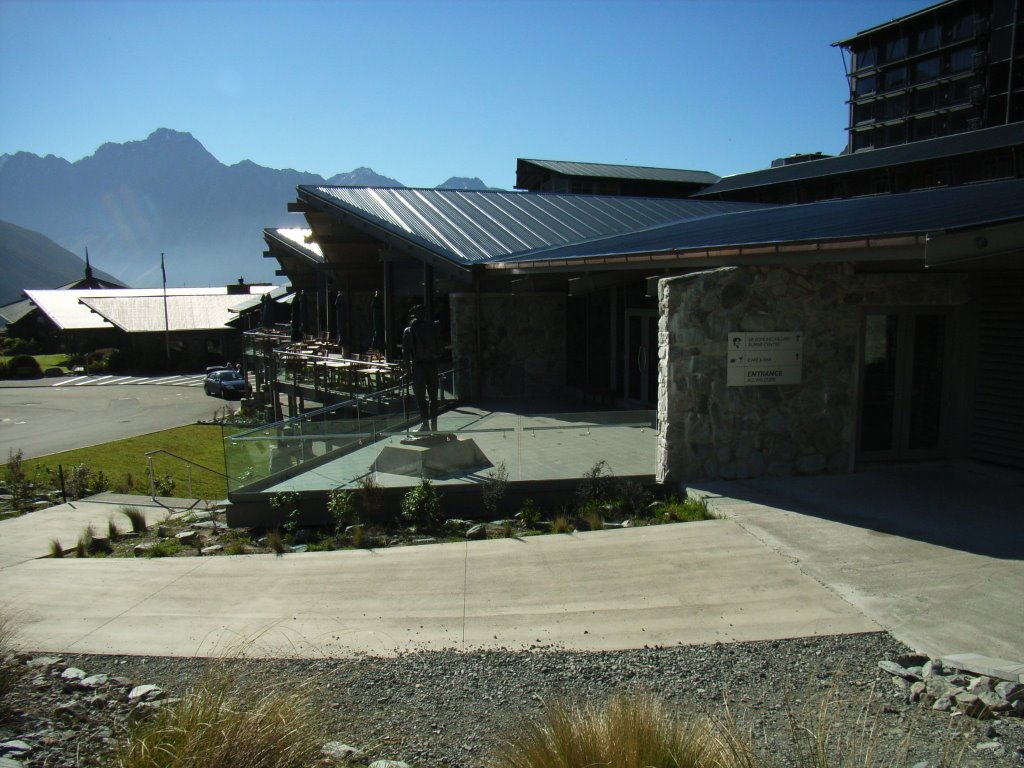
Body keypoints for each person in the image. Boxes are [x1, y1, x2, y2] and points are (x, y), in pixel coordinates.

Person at [402, 304, 442, 431]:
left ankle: (427, 424)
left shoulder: (409, 330)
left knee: (422, 397)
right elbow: (440, 348)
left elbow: (406, 354)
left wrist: (408, 371)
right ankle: (432, 424)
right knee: (431, 397)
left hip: (420, 367)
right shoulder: (433, 327)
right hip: (430, 366)